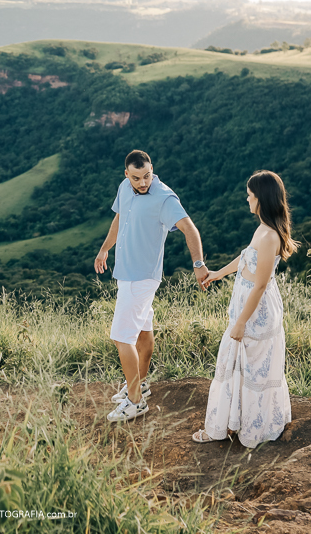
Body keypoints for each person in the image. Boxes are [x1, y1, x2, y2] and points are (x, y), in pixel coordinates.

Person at [95, 150, 209, 423]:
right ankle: (141, 384)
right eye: (136, 178)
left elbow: (189, 228)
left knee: (122, 338)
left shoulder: (164, 197)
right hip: (126, 273)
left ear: (152, 169)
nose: (142, 182)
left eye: (146, 176)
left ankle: (135, 401)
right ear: (127, 175)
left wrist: (198, 264)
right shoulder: (125, 187)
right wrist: (104, 250)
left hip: (141, 278)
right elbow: (120, 218)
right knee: (143, 331)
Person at [192, 170, 298, 447]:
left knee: (251, 369)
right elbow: (244, 260)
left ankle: (249, 428)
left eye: (250, 195)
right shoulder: (262, 230)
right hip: (249, 306)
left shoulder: (269, 236)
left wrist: (240, 322)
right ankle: (234, 423)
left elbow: (260, 285)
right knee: (240, 366)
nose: (247, 199)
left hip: (257, 312)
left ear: (261, 198)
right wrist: (217, 273)